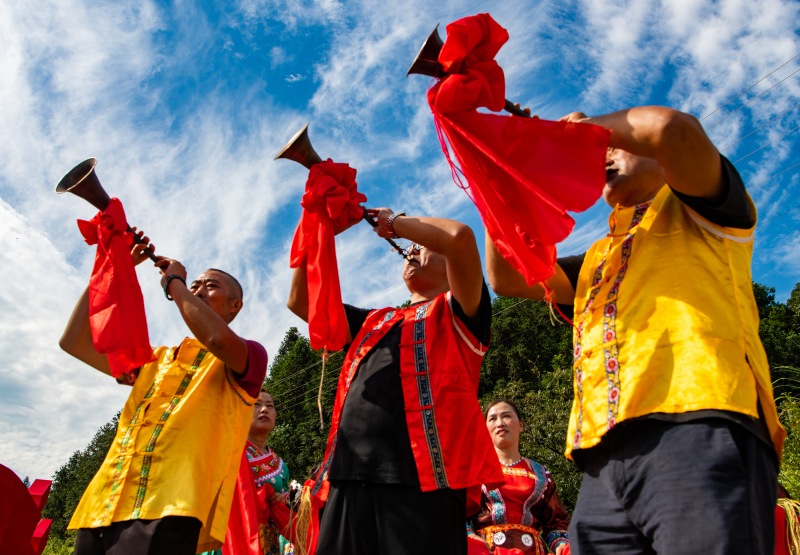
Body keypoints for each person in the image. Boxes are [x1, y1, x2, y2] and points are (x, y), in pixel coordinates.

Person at [486, 106, 785, 554]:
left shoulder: (703, 207)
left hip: (698, 424)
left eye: (612, 145)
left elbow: (671, 130)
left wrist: (566, 135)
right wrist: (506, 172)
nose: (599, 154)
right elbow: (506, 277)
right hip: (602, 459)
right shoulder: (596, 258)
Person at [287, 208, 503, 555]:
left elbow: (460, 237)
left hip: (423, 483)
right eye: (411, 245)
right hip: (346, 477)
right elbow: (300, 300)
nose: (412, 249)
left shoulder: (460, 314)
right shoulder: (374, 321)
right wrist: (317, 229)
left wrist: (394, 223)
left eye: (422, 244)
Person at [60, 232, 268, 555]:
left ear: (235, 305)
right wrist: (115, 269)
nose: (198, 288)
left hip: (169, 509)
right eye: (194, 283)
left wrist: (175, 283)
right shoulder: (154, 360)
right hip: (102, 504)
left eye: (210, 286)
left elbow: (215, 338)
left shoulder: (248, 356)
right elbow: (74, 341)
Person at [468, 399, 570, 555]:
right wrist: (472, 538)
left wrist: (561, 545)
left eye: (506, 416)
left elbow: (556, 523)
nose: (500, 423)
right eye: (493, 419)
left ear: (521, 425)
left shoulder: (541, 474)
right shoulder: (474, 471)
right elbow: (453, 514)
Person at [202, 390, 293, 555]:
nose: (264, 409)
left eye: (269, 406)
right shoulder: (228, 453)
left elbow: (286, 511)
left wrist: (280, 503)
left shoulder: (281, 465)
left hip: (267, 543)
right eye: (256, 405)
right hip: (230, 541)